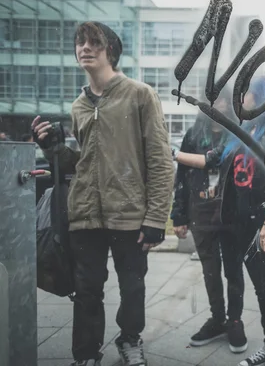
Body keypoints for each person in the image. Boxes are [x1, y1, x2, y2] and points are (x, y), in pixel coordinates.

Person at [32, 21, 174, 366]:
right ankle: (85, 355)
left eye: (93, 43)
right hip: (85, 214)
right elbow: (82, 164)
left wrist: (156, 217)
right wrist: (52, 147)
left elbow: (160, 160)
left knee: (133, 287)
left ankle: (129, 340)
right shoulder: (79, 106)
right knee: (86, 291)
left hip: (129, 212)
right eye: (80, 43)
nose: (85, 48)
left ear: (110, 50)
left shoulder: (140, 95)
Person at [174, 76, 265, 366]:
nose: (239, 98)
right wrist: (174, 154)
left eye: (244, 92)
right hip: (243, 224)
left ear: (261, 96)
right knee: (262, 289)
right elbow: (212, 160)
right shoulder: (248, 128)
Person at [170, 91, 248, 353]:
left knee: (234, 270)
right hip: (201, 212)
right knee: (210, 271)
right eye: (212, 100)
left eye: (222, 100)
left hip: (232, 214)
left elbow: (215, 161)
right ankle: (217, 318)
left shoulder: (237, 134)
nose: (217, 105)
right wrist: (178, 215)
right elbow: (181, 177)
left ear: (230, 104)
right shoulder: (193, 135)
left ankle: (234, 320)